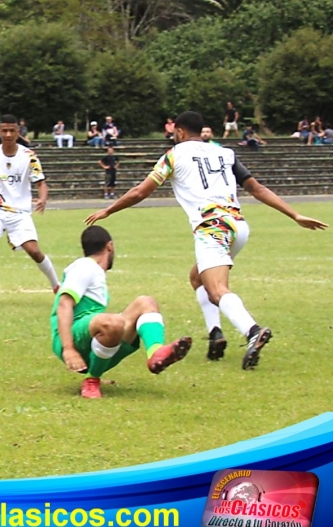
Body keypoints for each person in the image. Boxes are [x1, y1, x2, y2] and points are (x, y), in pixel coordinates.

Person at [85, 111, 328, 370]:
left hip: (212, 227)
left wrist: (108, 210)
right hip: (238, 226)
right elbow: (256, 188)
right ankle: (215, 333)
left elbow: (140, 191)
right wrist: (294, 213)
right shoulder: (224, 152)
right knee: (197, 277)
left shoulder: (174, 155)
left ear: (178, 132)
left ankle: (252, 330)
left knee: (217, 289)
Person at [51, 225, 192, 398]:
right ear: (110, 246)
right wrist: (68, 348)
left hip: (87, 335)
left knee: (146, 302)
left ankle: (156, 353)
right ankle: (91, 381)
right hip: (70, 336)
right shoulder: (84, 266)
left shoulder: (94, 270)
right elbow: (64, 304)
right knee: (114, 322)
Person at [0, 114, 60, 309]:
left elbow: (41, 182)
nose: (8, 134)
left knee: (34, 251)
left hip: (19, 212)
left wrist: (43, 198)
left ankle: (57, 287)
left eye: (12, 131)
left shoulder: (29, 156)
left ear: (18, 132)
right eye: (4, 130)